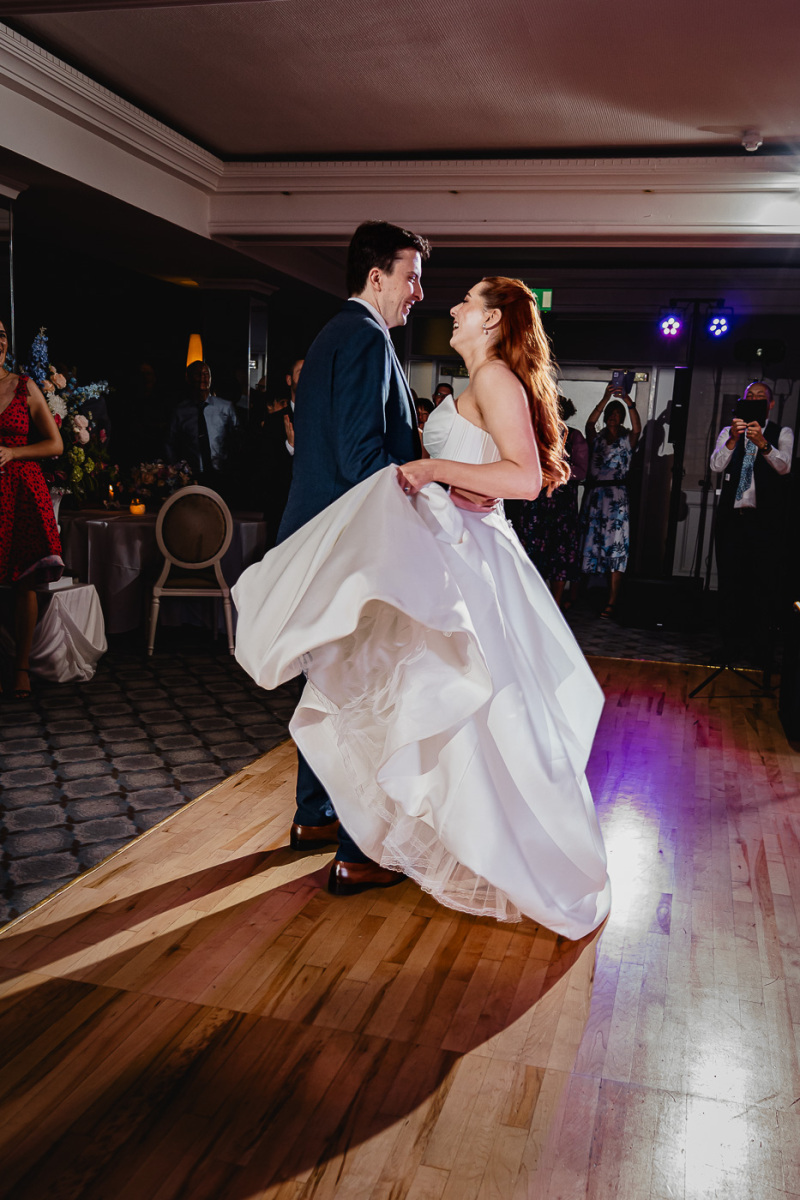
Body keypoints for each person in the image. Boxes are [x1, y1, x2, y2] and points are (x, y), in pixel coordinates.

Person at [234, 277, 610, 939]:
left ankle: (448, 845)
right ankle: (384, 838)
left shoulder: (493, 378)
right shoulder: (476, 382)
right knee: (414, 697)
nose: (453, 307)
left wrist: (437, 471)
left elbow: (524, 478)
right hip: (443, 550)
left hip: (469, 560)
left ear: (492, 319)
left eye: (468, 301)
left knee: (454, 702)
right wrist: (448, 477)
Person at [269, 220, 429, 896]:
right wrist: (423, 505)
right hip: (351, 548)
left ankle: (315, 817)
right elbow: (362, 457)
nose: (418, 292)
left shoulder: (333, 335)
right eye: (411, 277)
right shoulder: (366, 338)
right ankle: (359, 854)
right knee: (364, 693)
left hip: (319, 540)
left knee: (331, 684)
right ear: (376, 276)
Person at [0, 318, 64, 699]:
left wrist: (13, 452)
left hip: (22, 492)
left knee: (24, 581)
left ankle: (21, 667)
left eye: (2, 335)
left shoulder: (24, 386)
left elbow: (55, 444)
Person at [709, 380, 793, 667]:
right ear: (743, 401)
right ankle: (731, 646)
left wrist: (763, 444)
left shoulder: (782, 432)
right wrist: (733, 440)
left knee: (762, 585)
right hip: (733, 519)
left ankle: (761, 649)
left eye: (761, 396)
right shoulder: (728, 431)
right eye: (750, 396)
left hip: (764, 521)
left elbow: (784, 467)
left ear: (770, 403)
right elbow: (716, 465)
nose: (755, 399)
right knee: (731, 584)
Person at [515, 395, 589, 610]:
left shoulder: (575, 437)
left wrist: (557, 472)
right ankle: (532, 603)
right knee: (532, 550)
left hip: (562, 505)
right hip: (536, 502)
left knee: (561, 554)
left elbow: (582, 471)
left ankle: (555, 604)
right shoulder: (535, 434)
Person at [581, 381, 641, 618]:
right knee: (591, 543)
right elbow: (589, 424)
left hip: (617, 497)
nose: (614, 416)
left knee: (616, 546)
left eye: (618, 414)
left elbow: (637, 429)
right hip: (597, 496)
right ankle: (584, 594)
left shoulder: (626, 440)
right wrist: (606, 398)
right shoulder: (597, 439)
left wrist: (627, 401)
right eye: (611, 413)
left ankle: (612, 599)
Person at [165, 360, 238, 484]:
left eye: (206, 374)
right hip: (191, 476)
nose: (202, 378)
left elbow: (237, 438)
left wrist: (231, 465)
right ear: (188, 378)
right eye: (197, 374)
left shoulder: (225, 407)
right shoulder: (180, 411)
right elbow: (170, 443)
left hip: (222, 474)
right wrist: (176, 470)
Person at [262, 357, 303, 548]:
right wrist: (290, 446)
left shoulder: (326, 419)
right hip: (282, 508)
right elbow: (266, 468)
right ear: (289, 380)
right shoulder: (274, 422)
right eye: (300, 372)